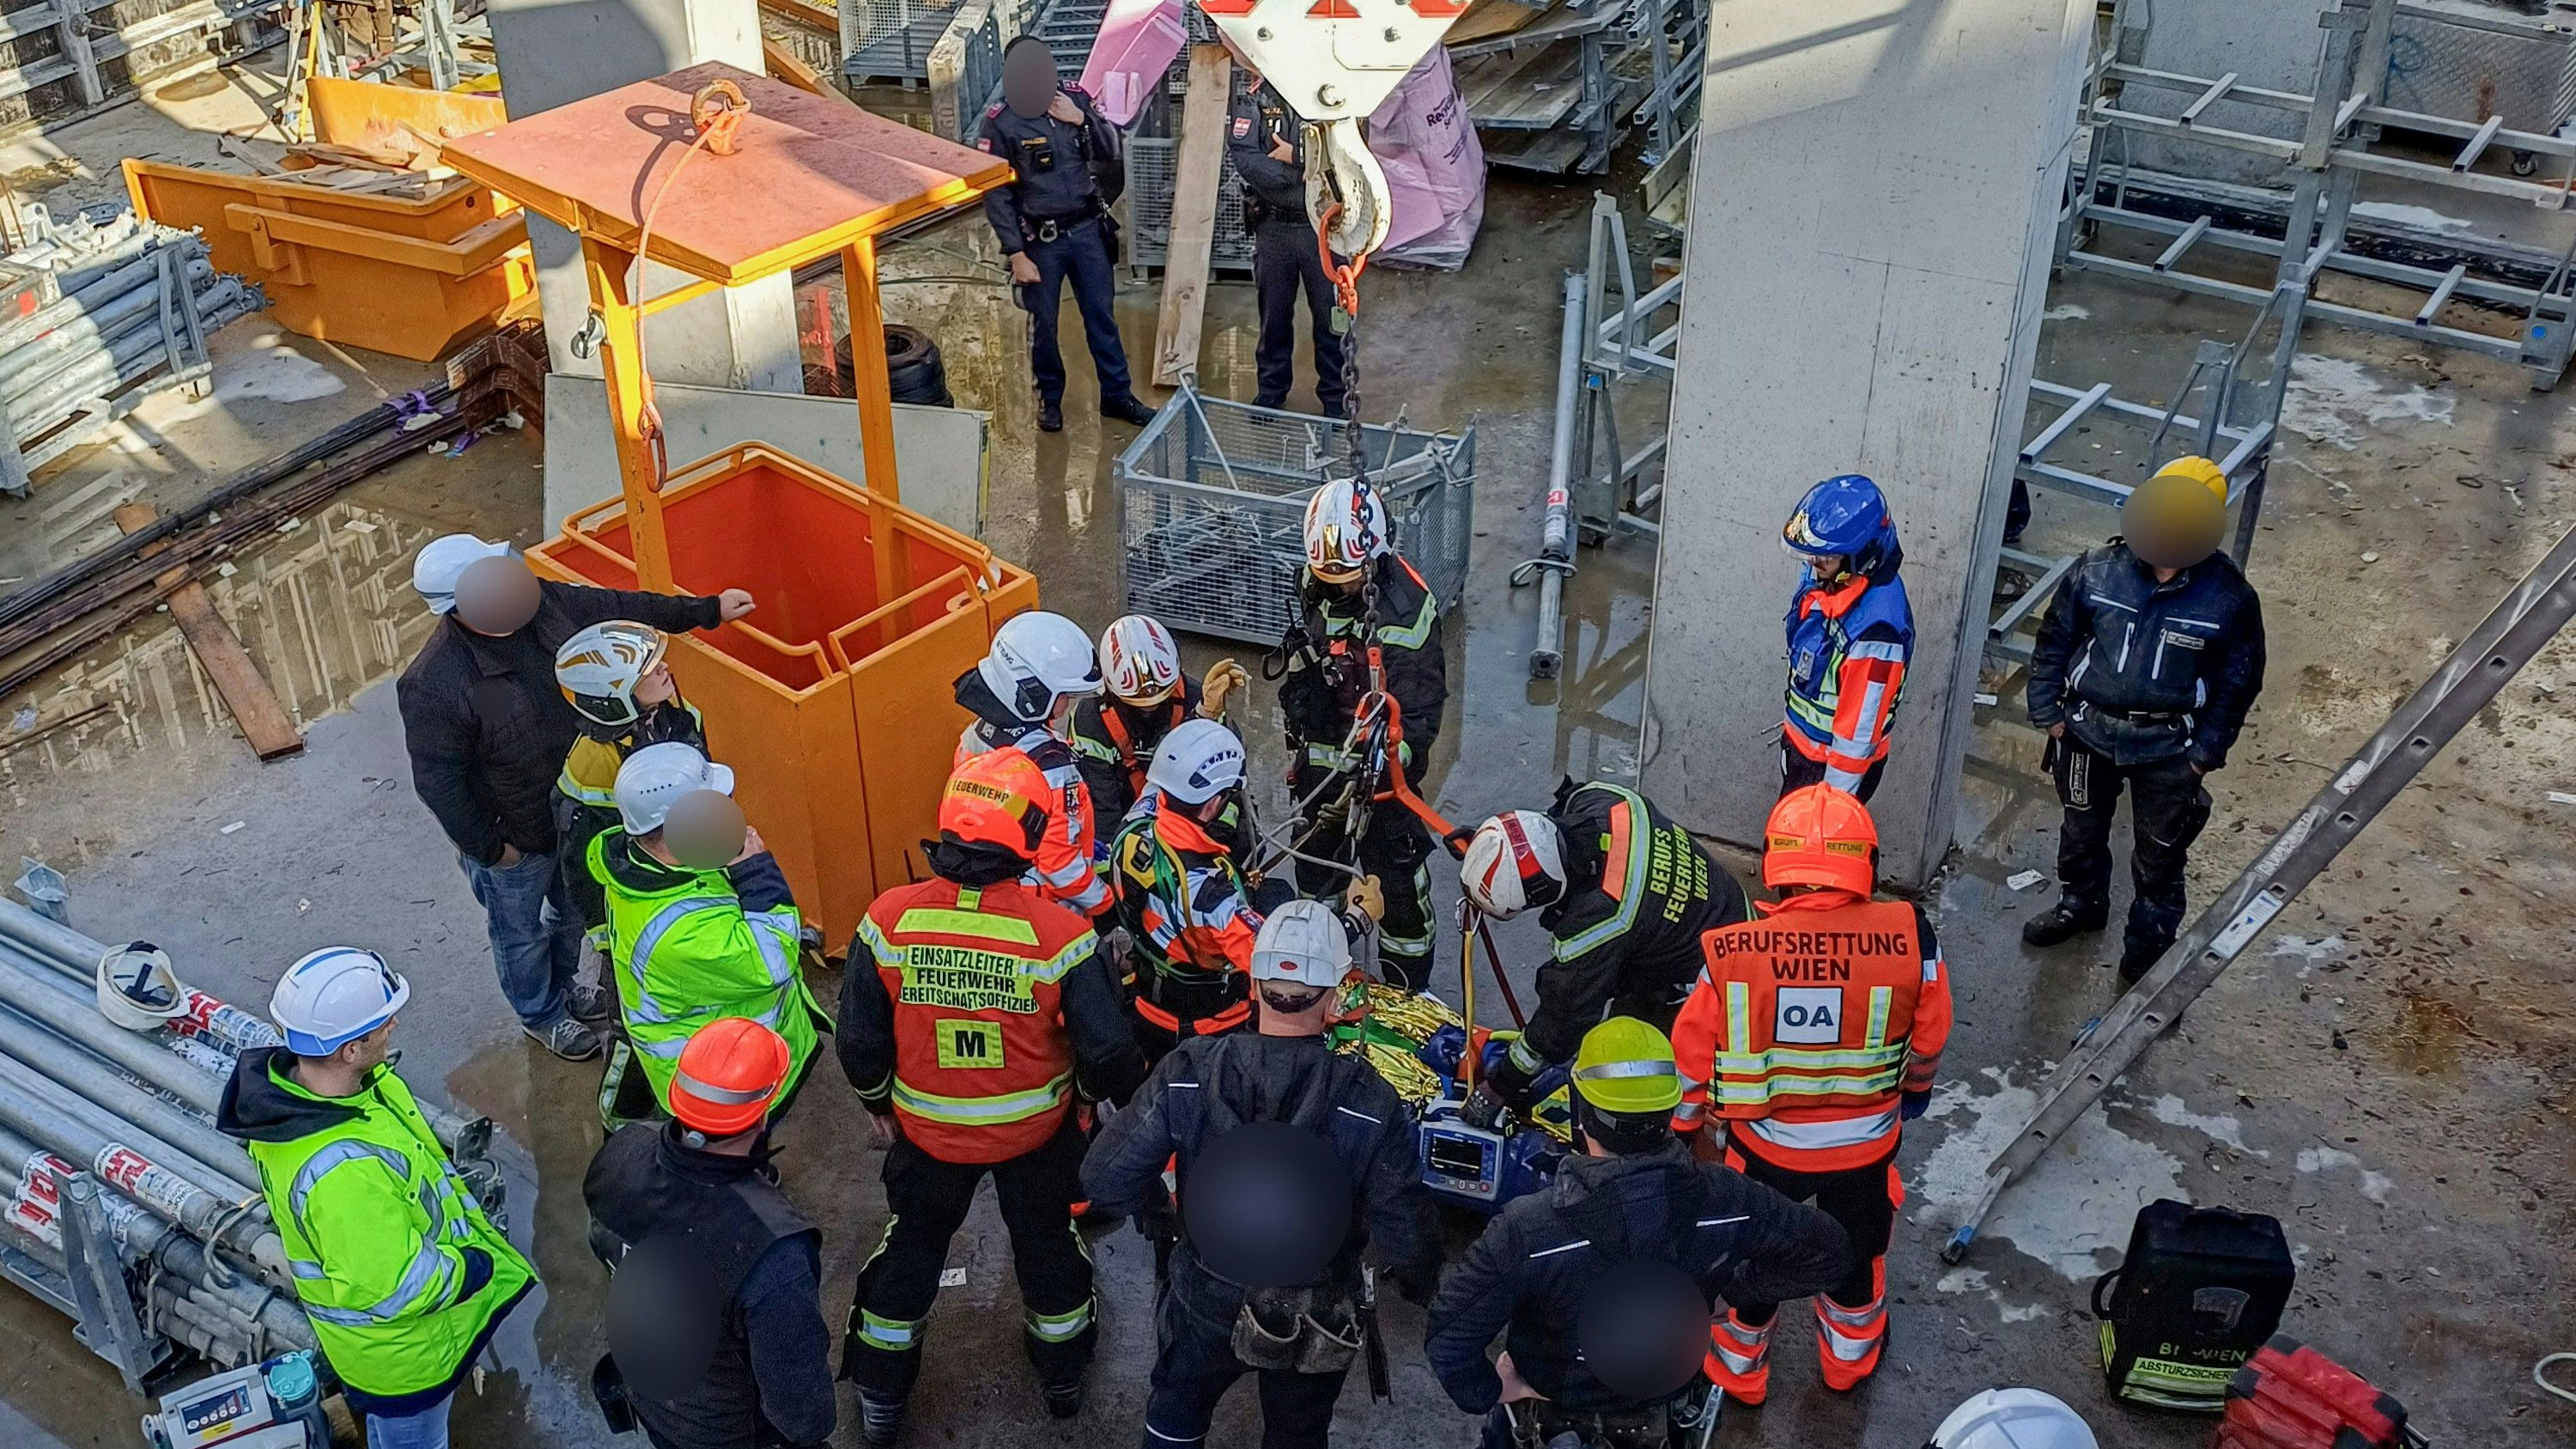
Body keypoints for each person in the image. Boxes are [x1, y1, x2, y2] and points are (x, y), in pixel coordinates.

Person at [835, 748, 1147, 1445]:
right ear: (1030, 836)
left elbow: (858, 1040)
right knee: (1047, 1250)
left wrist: (878, 1102)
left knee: (912, 1251)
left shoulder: (888, 921)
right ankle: (1063, 1379)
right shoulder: (1063, 937)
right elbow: (1108, 1051)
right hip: (1036, 1137)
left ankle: (881, 1398)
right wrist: (1089, 1101)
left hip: (926, 1137)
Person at [1083, 901, 1442, 1449]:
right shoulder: (1368, 1100)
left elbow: (1106, 1177)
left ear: (1252, 984)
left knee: (1176, 1417)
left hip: (1205, 1294)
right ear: (1337, 993)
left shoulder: (1190, 1071)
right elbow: (1408, 1234)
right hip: (1318, 1308)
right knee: (1297, 1434)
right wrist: (1420, 1285)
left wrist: (1162, 1216)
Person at [397, 533, 754, 1060]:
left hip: (577, 820)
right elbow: (439, 780)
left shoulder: (542, 604)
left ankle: (566, 988)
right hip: (514, 834)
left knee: (572, 915)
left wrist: (705, 610)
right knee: (518, 934)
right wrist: (494, 850)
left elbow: (618, 607)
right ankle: (541, 1013)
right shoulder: (437, 682)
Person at [1425, 1019, 1852, 1449]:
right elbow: (1829, 1252)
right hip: (1666, 1413)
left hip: (1552, 1414)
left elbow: (1449, 1343)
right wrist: (1730, 1293)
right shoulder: (1725, 1200)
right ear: (1668, 1112)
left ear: (1583, 1111)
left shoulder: (1529, 1230)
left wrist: (1494, 1391)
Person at [1668, 785, 1951, 1403]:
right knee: (1854, 1256)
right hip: (1866, 1153)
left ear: (1777, 864)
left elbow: (1692, 1055)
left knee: (1753, 1261)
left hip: (1763, 1152)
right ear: (1865, 864)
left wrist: (1686, 1129)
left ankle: (1739, 1375)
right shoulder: (1911, 938)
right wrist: (1913, 1097)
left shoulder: (1735, 951)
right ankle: (1847, 1365)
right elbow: (1929, 1035)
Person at [216, 947, 536, 1449]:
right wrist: (469, 1268)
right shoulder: (341, 1174)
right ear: (349, 1049)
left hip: (396, 1343)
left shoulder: (333, 1094)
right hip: (404, 1358)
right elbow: (397, 1286)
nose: (393, 1027)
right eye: (382, 1022)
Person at [2023, 455, 2266, 982]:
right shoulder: (2097, 569)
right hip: (2087, 735)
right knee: (2081, 831)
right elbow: (2055, 639)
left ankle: (2146, 959)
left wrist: (2203, 756)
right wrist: (2049, 712)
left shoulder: (2229, 599)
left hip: (2168, 751)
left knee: (2159, 859)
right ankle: (2081, 905)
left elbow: (2237, 685)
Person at [582, 1018, 833, 1449]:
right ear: (763, 1113)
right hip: (732, 1433)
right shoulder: (773, 1250)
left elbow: (605, 1244)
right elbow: (803, 1415)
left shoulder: (622, 1153)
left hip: (653, 1399)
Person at [1455, 777, 1753, 1131]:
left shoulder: (1598, 923)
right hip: (1726, 909)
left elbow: (1560, 1025)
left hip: (1711, 974)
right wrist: (1489, 848)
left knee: (1632, 1069)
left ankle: (1661, 1143)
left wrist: (1502, 1084)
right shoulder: (1598, 799)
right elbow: (1534, 839)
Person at [1107, 719, 1382, 1063]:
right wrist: (1358, 918)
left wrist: (1206, 713)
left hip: (1147, 1002)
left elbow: (1159, 788)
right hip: (1209, 1029)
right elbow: (1285, 963)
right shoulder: (1213, 899)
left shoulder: (1133, 830)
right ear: (1211, 805)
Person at [590, 743, 827, 1127]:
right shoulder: (680, 935)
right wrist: (755, 871)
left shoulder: (646, 863)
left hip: (731, 1048)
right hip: (721, 1084)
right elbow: (774, 962)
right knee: (740, 1150)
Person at [1279, 480, 1447, 989]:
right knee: (1315, 880)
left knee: (1398, 890)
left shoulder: (1406, 614)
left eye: (1351, 578)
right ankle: (1319, 977)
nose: (1340, 587)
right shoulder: (1316, 582)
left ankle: (1405, 991)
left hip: (1383, 783)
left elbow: (1418, 718)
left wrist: (1379, 777)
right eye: (1330, 576)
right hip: (1319, 771)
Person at [981, 35, 1156, 434]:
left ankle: (1117, 397)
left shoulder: (1074, 99)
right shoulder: (1001, 121)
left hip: (1087, 232)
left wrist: (1082, 119)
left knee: (1102, 318)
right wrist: (1015, 253)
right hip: (1040, 241)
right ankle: (1051, 400)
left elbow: (1110, 150)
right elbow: (996, 195)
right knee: (1044, 326)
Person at [553, 621, 707, 941]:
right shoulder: (593, 763)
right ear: (613, 697)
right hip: (649, 899)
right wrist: (602, 931)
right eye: (648, 669)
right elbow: (584, 858)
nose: (664, 667)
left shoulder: (678, 712)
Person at [955, 610, 1113, 916]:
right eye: (1064, 694)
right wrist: (1106, 902)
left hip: (986, 893)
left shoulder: (976, 733)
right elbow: (1062, 869)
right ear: (1032, 692)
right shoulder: (1053, 769)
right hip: (1044, 909)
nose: (1068, 703)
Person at [1778, 474, 1914, 802]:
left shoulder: (1877, 632)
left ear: (1860, 554)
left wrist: (1833, 807)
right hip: (1803, 752)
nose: (1814, 563)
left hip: (1829, 775)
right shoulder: (1832, 576)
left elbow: (1857, 737)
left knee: (1806, 855)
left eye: (1826, 557)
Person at [1227, 68, 1348, 416]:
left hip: (1323, 229)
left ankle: (1336, 397)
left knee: (1331, 318)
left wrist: (1297, 159)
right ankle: (1271, 390)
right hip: (1274, 228)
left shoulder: (1334, 95)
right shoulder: (1256, 98)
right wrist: (1305, 173)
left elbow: (1347, 158)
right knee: (1273, 316)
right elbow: (1245, 158)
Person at [1068, 613, 1247, 829]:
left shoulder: (1195, 698)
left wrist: (1210, 717)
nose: (1150, 708)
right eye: (1137, 703)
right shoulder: (1092, 721)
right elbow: (1102, 807)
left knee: (1239, 825)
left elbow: (1225, 772)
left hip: (1189, 811)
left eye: (1161, 698)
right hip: (1125, 810)